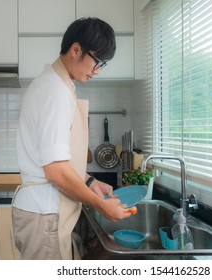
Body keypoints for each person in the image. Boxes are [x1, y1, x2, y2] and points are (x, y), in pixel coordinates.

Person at [12, 17, 131, 260]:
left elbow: (58, 159)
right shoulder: (55, 91)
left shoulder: (57, 84)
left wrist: (89, 182)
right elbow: (55, 171)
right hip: (44, 214)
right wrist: (100, 205)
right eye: (97, 62)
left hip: (43, 212)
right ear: (76, 49)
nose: (97, 71)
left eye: (102, 65)